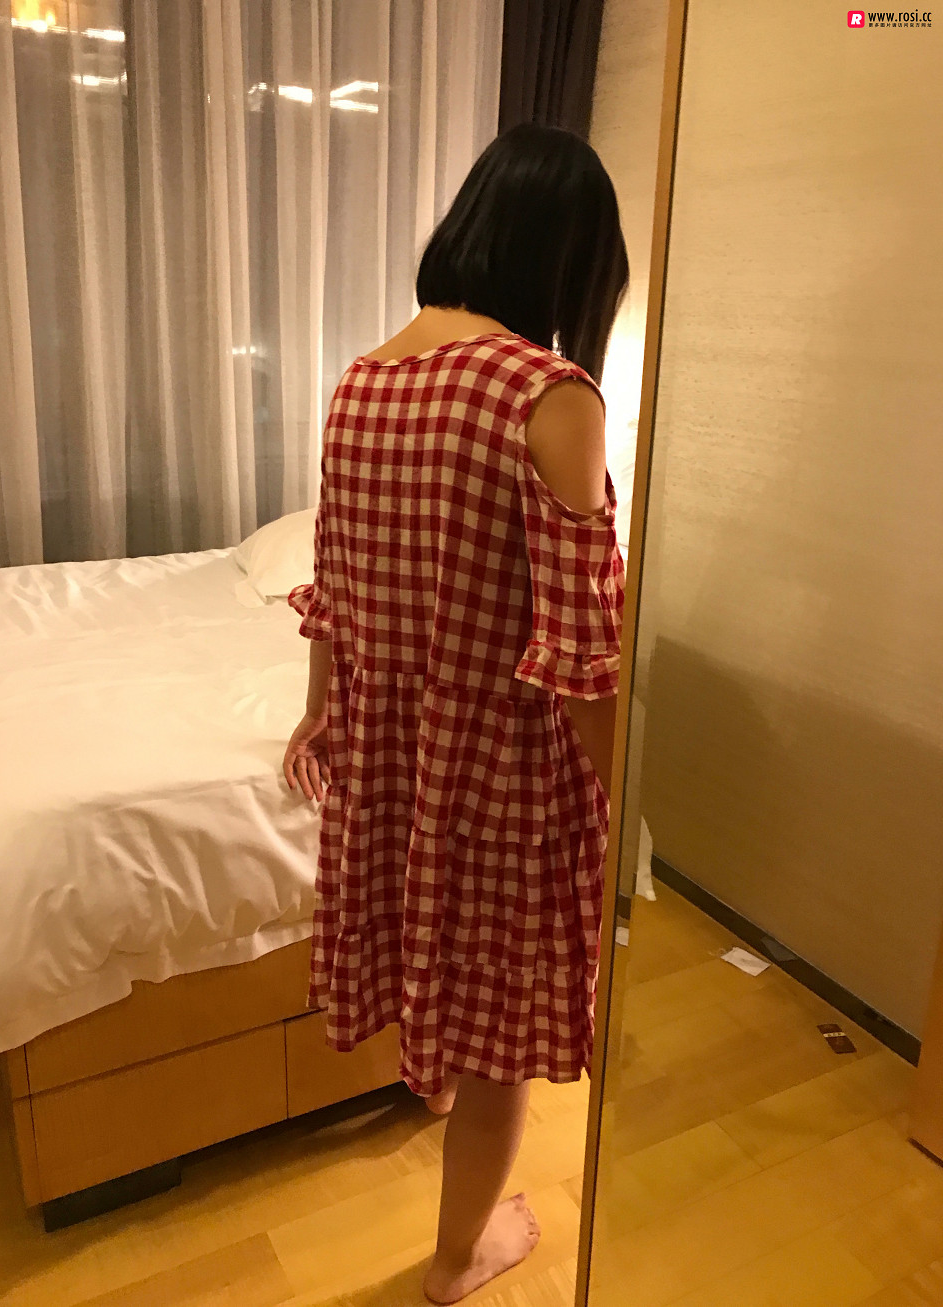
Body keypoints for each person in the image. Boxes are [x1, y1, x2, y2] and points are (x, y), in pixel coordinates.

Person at [282, 121, 629, 1305]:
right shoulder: (547, 394)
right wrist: (629, 806)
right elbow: (581, 653)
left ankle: (439, 1138)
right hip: (499, 769)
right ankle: (453, 1260)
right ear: (569, 261)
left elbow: (334, 581)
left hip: (391, 752)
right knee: (500, 1043)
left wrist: (321, 714)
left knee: (426, 953)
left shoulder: (362, 379)